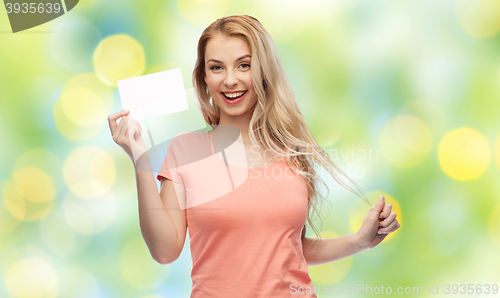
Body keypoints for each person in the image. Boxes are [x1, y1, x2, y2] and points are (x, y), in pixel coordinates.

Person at [108, 15, 400, 298]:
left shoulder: (292, 152)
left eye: (244, 65)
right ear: (204, 77)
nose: (230, 80)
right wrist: (141, 161)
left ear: (263, 70)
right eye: (217, 68)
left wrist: (361, 241)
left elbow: (287, 247)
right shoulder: (186, 150)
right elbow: (165, 251)